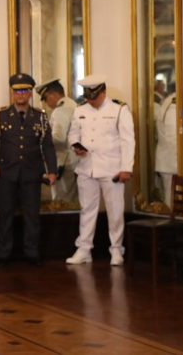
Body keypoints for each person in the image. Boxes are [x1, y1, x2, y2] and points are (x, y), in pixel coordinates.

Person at [0, 73, 56, 266]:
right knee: (5, 215)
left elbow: (47, 145)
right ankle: (3, 253)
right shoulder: (0, 116)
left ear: (31, 93)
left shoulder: (40, 117)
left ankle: (32, 253)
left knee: (32, 216)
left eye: (25, 91)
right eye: (17, 91)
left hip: (31, 175)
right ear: (12, 93)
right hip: (6, 174)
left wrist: (52, 170)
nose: (21, 95)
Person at [66, 74, 135, 267]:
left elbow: (128, 141)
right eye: (88, 97)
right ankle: (84, 249)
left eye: (94, 97)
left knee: (115, 211)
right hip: (87, 167)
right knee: (87, 210)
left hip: (112, 169)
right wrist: (75, 146)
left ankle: (116, 250)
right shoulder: (80, 110)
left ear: (103, 92)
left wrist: (126, 169)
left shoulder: (119, 110)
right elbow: (73, 133)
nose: (91, 101)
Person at [36, 78, 78, 205]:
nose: (45, 102)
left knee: (62, 202)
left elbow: (59, 138)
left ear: (53, 95)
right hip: (73, 160)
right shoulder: (72, 104)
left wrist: (40, 138)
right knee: (73, 200)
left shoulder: (61, 110)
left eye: (45, 98)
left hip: (64, 162)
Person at [155, 89, 177, 206]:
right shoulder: (174, 105)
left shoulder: (167, 102)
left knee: (170, 199)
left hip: (166, 161)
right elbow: (174, 137)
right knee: (172, 202)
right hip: (173, 162)